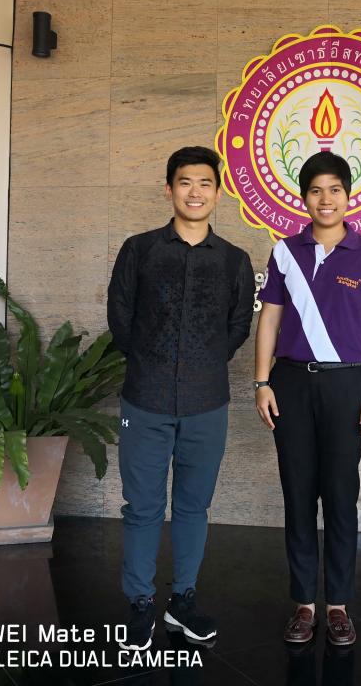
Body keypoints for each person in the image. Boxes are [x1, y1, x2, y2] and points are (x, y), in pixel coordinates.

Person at [107, 146, 255, 649]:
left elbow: (239, 326)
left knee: (194, 506)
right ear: (169, 188)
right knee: (142, 506)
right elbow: (120, 317)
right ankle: (140, 602)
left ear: (218, 192)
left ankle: (183, 600)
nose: (195, 192)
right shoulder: (140, 249)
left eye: (205, 183)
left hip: (206, 402)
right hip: (144, 399)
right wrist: (151, 361)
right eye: (186, 182)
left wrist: (202, 363)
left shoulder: (234, 260)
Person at [254, 151, 361, 647]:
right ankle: (303, 603)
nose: (326, 199)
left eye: (334, 189)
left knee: (340, 495)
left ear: (348, 196)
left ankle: (337, 605)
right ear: (304, 197)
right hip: (290, 384)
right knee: (297, 493)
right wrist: (261, 382)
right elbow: (269, 318)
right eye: (316, 190)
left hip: (347, 385)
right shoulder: (285, 252)